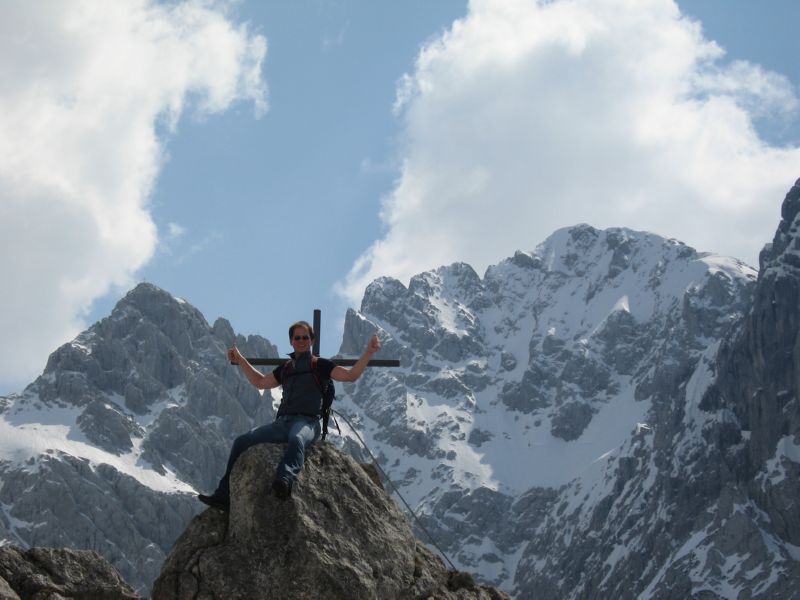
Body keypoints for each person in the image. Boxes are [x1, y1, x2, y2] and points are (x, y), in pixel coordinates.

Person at [198, 320, 381, 509]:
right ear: (291, 341)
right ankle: (223, 495)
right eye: (297, 338)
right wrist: (241, 360)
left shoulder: (321, 365)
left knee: (297, 439)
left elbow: (350, 376)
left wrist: (369, 352)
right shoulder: (286, 368)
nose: (301, 341)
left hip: (308, 422)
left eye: (305, 337)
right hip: (282, 423)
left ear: (311, 340)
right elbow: (260, 382)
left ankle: (285, 480)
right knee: (242, 441)